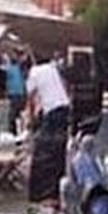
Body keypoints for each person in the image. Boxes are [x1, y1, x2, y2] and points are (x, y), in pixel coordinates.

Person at [26, 50, 72, 206]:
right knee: (58, 148)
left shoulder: (34, 72)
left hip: (53, 112)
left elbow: (31, 98)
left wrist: (31, 120)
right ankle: (55, 190)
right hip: (64, 108)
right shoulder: (52, 68)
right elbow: (62, 88)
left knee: (46, 151)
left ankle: (43, 193)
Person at [4, 51, 27, 134]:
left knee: (14, 112)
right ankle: (18, 128)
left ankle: (15, 129)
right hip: (19, 93)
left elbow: (7, 82)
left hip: (14, 93)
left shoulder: (10, 69)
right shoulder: (19, 68)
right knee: (19, 111)